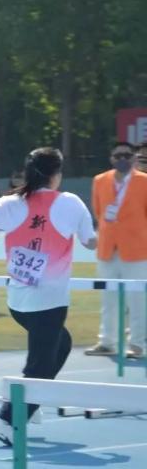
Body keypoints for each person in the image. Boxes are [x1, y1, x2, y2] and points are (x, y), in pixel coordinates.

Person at [0, 148, 97, 446]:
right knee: (39, 364)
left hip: (18, 302)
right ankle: (6, 420)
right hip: (50, 301)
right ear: (56, 174)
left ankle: (30, 405)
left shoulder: (14, 201)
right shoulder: (69, 202)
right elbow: (91, 243)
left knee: (61, 345)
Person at [84, 141, 147, 359]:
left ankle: (137, 344)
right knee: (108, 298)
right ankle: (106, 342)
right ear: (111, 158)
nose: (122, 159)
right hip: (107, 248)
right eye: (118, 155)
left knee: (137, 299)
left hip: (137, 250)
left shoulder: (144, 181)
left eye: (127, 155)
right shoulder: (100, 180)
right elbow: (98, 211)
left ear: (134, 158)